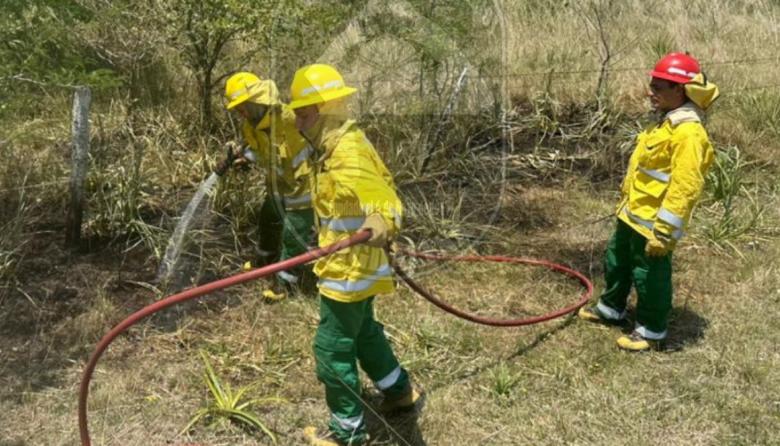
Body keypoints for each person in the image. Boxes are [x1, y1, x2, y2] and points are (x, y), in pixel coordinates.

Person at [287, 63, 420, 446]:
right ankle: (399, 392)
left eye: (303, 113)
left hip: (348, 270)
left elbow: (384, 198)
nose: (297, 122)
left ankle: (347, 434)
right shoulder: (330, 145)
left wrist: (381, 219)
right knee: (363, 333)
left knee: (331, 348)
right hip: (355, 266)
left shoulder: (346, 151)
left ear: (326, 110)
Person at [578, 52, 720, 351]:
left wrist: (665, 231)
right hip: (632, 215)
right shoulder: (666, 124)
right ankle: (610, 309)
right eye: (652, 85)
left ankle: (651, 330)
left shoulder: (689, 134)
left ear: (678, 91)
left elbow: (685, 187)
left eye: (658, 87)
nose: (650, 92)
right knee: (617, 262)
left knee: (650, 276)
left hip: (654, 224)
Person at [219, 72, 316, 300]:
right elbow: (262, 152)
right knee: (268, 218)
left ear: (256, 101)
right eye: (237, 109)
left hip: (305, 187)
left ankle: (285, 283)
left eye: (243, 107)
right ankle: (266, 259)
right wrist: (247, 159)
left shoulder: (291, 118)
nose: (240, 113)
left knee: (294, 232)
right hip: (278, 184)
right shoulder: (251, 128)